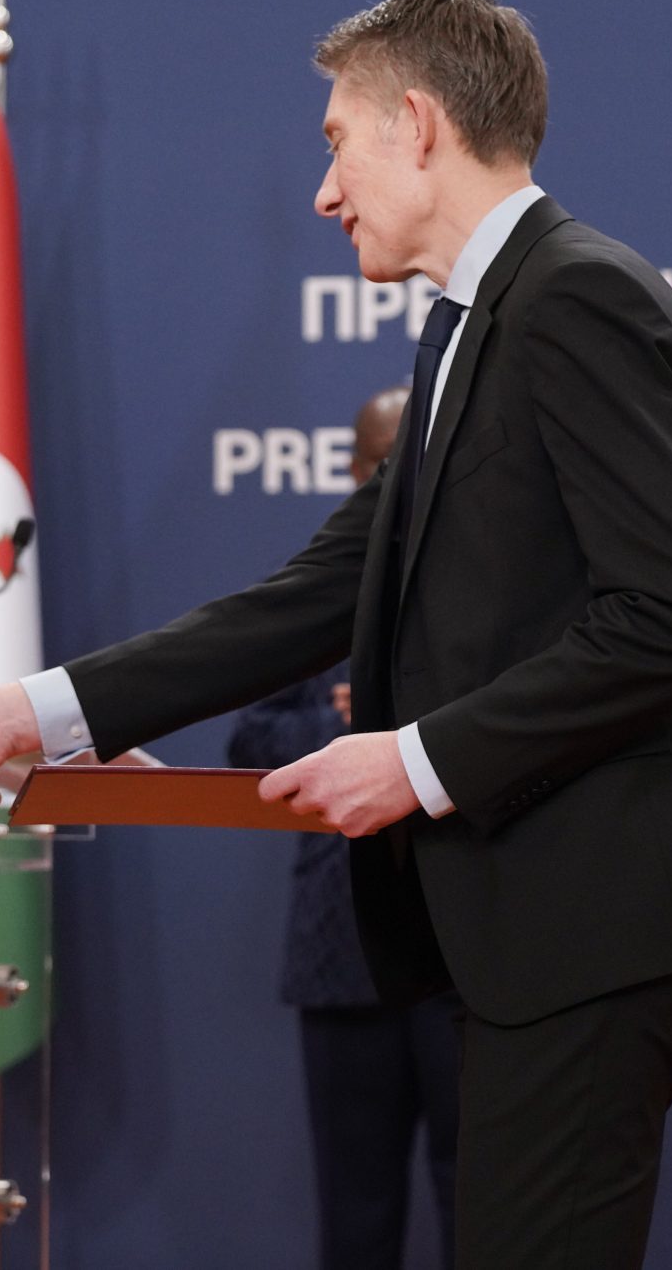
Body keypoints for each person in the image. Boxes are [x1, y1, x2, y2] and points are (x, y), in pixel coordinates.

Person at [0, 0, 672, 1270]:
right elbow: (323, 590)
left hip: (598, 915)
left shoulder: (575, 298)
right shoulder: (473, 323)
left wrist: (415, 760)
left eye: (337, 142)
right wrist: (26, 714)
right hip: (543, 917)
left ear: (418, 124)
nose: (324, 192)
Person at [226, 383, 460, 1270]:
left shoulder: (489, 582)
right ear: (357, 470)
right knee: (356, 1216)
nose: (403, 477)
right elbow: (252, 741)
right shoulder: (321, 586)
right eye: (385, 462)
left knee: (484, 1204)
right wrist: (344, 729)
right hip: (342, 952)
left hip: (467, 949)